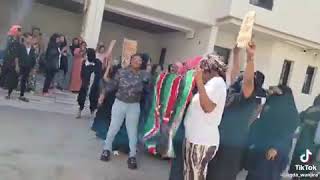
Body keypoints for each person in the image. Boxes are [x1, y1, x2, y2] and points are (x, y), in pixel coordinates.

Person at [207, 43, 257, 180]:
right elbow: (235, 74)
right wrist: (235, 53)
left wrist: (250, 58)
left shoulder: (246, 98)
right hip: (218, 142)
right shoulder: (231, 92)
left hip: (231, 148)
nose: (239, 80)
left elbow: (247, 82)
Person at [100, 53, 149, 170]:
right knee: (113, 127)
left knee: (132, 132)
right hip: (120, 103)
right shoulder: (121, 72)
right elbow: (112, 85)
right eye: (136, 60)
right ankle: (106, 149)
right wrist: (102, 94)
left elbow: (149, 87)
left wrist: (149, 69)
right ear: (131, 61)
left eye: (140, 61)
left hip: (134, 106)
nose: (138, 62)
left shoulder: (144, 75)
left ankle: (132, 156)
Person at [183, 53, 227, 180]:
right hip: (195, 139)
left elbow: (207, 107)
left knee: (195, 176)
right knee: (190, 175)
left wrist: (199, 82)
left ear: (208, 69)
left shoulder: (217, 83)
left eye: (200, 69)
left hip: (201, 141)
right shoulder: (210, 84)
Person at [245, 85, 299, 180]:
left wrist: (275, 147)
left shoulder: (290, 111)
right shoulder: (270, 105)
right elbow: (261, 123)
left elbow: (287, 132)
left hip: (274, 153)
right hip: (260, 149)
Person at [289, 95, 320, 178]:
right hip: (312, 150)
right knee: (305, 174)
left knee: (296, 172)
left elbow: (296, 120)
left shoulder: (309, 110)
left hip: (300, 146)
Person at [76, 48, 102, 118]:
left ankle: (92, 112)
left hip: (94, 83)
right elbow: (82, 73)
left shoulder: (98, 62)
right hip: (85, 83)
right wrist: (84, 80)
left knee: (93, 98)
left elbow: (99, 73)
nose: (86, 56)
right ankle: (79, 111)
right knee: (82, 97)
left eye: (87, 54)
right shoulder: (84, 62)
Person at [2, 25, 23, 99]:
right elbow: (14, 53)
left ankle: (8, 93)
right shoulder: (12, 40)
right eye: (19, 31)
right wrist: (17, 65)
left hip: (10, 61)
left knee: (11, 77)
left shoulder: (16, 40)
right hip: (10, 61)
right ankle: (8, 92)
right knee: (7, 76)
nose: (20, 33)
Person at [16, 32, 36, 102]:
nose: (30, 40)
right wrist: (17, 65)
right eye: (29, 39)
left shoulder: (32, 48)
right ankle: (9, 92)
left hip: (28, 66)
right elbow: (17, 57)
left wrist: (33, 68)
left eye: (31, 39)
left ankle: (22, 95)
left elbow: (33, 58)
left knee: (24, 80)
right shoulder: (21, 46)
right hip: (21, 65)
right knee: (15, 78)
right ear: (25, 38)